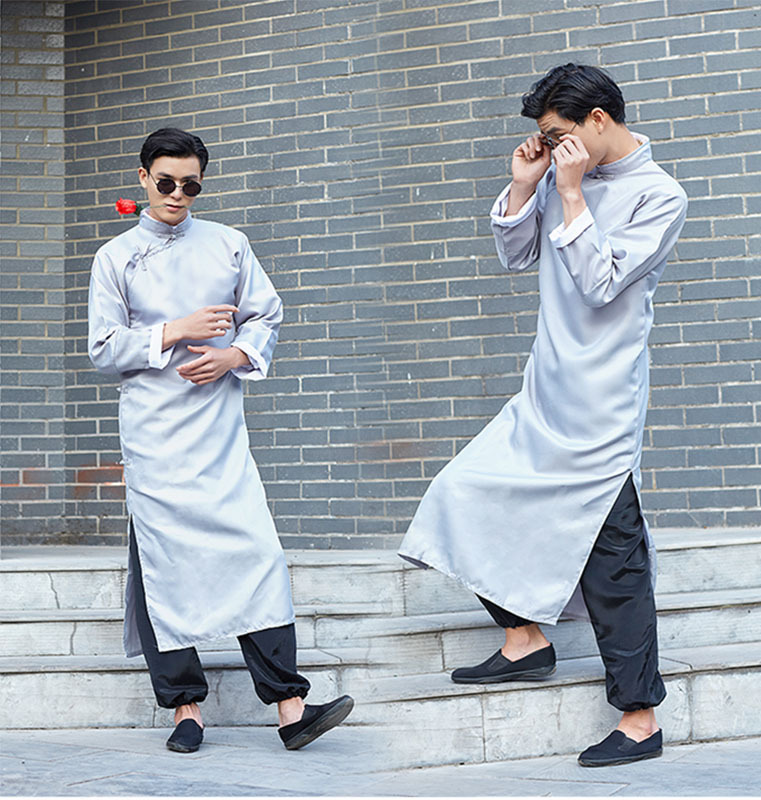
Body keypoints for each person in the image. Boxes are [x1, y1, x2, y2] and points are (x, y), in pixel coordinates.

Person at [398, 64, 687, 767]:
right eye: (545, 138)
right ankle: (524, 639)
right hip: (543, 391)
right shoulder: (560, 177)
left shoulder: (660, 195)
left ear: (598, 120)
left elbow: (599, 283)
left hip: (602, 403)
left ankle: (640, 719)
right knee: (459, 493)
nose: (551, 145)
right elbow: (516, 255)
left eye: (557, 134)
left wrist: (570, 190)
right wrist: (526, 187)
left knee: (612, 562)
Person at [88, 128, 353, 754]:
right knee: (164, 566)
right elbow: (103, 347)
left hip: (219, 431)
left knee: (256, 554)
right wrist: (174, 331)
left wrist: (234, 355)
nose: (178, 195)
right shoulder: (115, 257)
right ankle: (185, 709)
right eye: (166, 182)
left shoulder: (229, 244)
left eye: (191, 185)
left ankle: (291, 707)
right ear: (143, 178)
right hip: (156, 433)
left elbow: (266, 313)